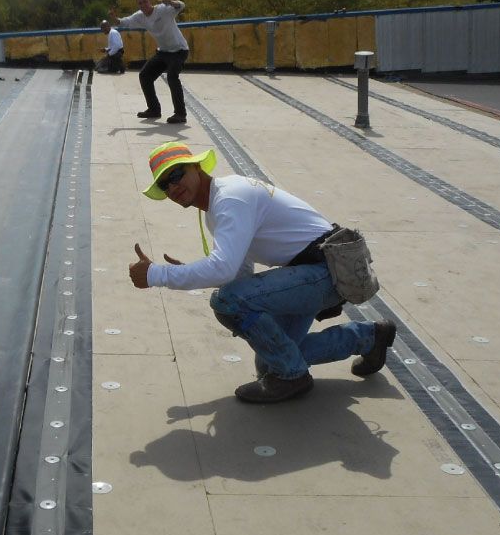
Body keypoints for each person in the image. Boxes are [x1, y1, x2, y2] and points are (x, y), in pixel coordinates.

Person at [128, 141, 397, 403]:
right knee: (273, 361)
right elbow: (240, 274)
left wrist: (155, 274)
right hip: (311, 272)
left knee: (229, 304)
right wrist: (191, 272)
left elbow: (225, 274)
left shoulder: (230, 198)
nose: (172, 187)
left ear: (197, 167)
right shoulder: (218, 207)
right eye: (164, 184)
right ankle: (369, 337)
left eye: (176, 174)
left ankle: (293, 377)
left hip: (329, 271)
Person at [108, 0, 189, 124]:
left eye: (145, 2)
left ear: (149, 1)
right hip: (163, 52)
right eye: (140, 3)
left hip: (179, 50)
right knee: (145, 75)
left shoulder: (163, 9)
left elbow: (181, 6)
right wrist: (114, 18)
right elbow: (124, 22)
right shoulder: (140, 16)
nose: (143, 5)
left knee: (172, 77)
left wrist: (171, 2)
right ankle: (154, 109)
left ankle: (180, 114)